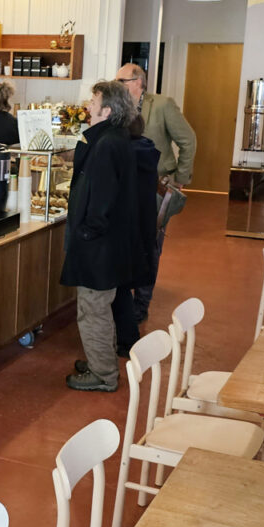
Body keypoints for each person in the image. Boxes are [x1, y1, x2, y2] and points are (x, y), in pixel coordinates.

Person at [60, 80, 146, 392]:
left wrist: (87, 231)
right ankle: (101, 360)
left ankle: (103, 374)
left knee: (92, 309)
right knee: (101, 307)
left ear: (107, 110)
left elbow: (102, 198)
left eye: (94, 100)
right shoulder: (113, 138)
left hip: (100, 244)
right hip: (110, 242)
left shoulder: (106, 144)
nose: (88, 105)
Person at [115, 63, 196, 322]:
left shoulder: (162, 105)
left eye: (122, 80)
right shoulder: (118, 107)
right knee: (126, 243)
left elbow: (188, 140)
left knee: (150, 245)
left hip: (156, 186)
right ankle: (123, 299)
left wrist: (181, 178)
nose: (117, 85)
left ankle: (142, 303)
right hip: (124, 186)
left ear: (139, 81)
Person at [111, 114, 160, 356]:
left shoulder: (126, 156)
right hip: (142, 227)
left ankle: (125, 340)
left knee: (117, 286)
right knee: (121, 288)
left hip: (127, 229)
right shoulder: (146, 150)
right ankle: (126, 337)